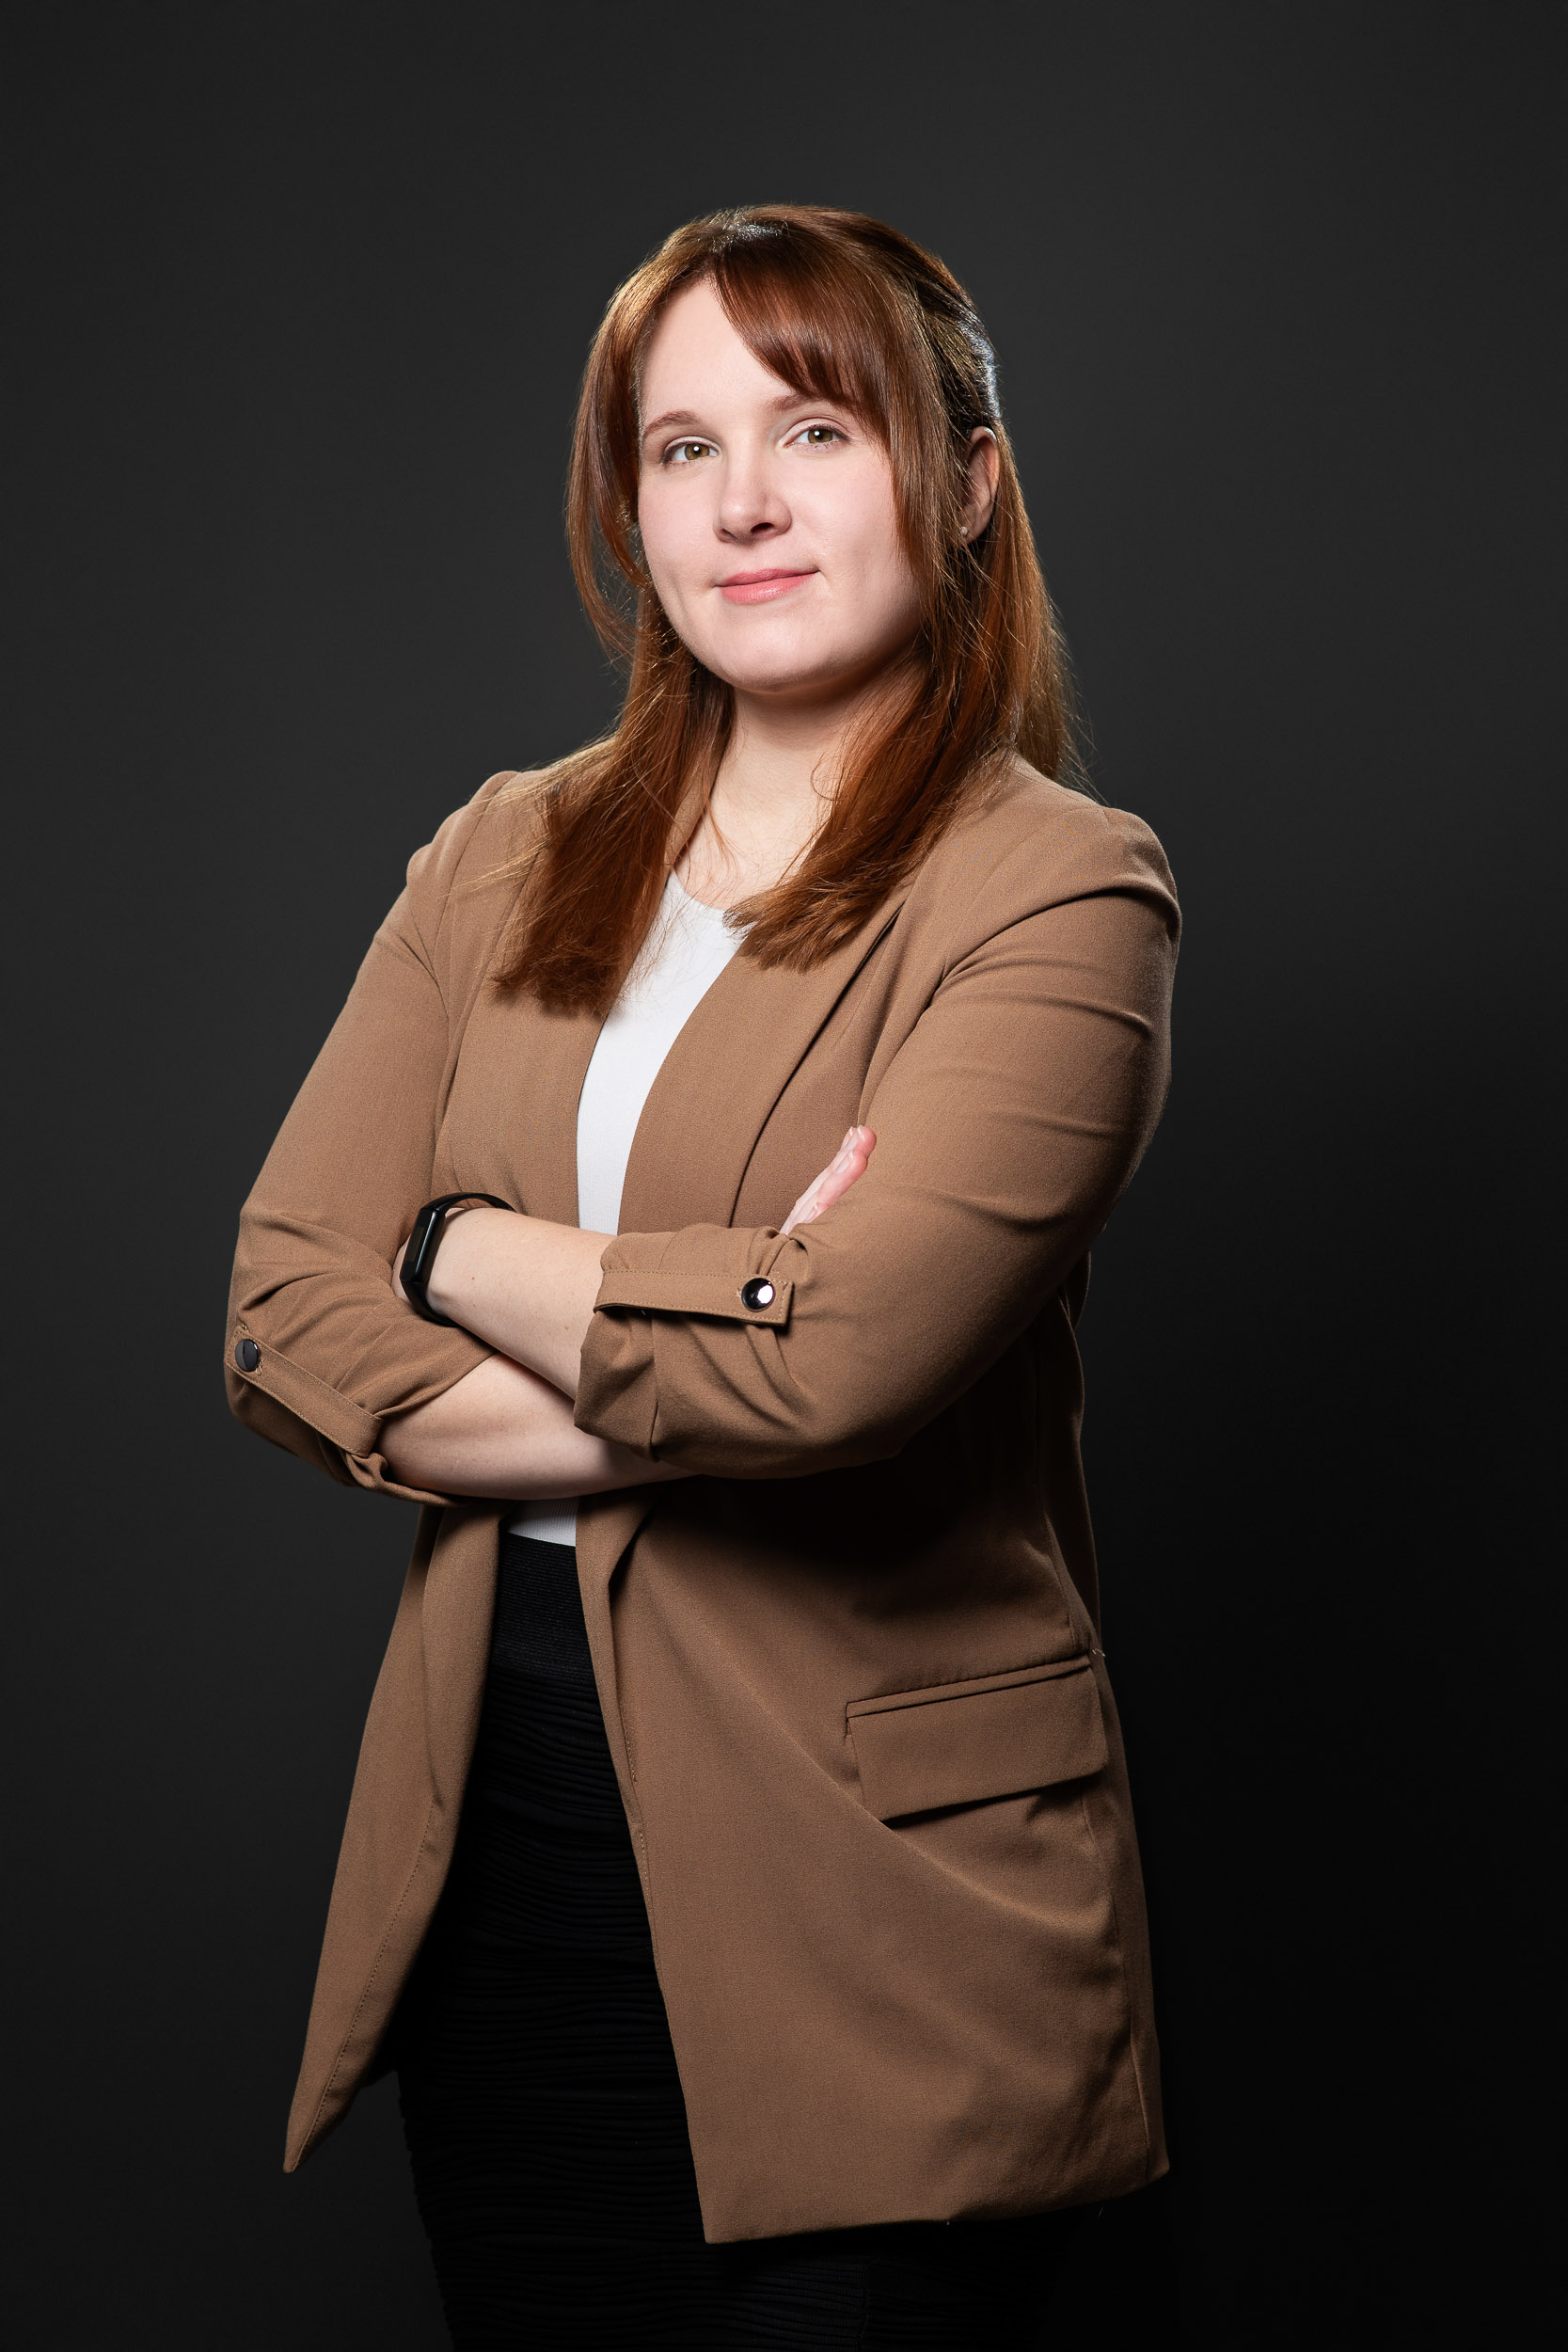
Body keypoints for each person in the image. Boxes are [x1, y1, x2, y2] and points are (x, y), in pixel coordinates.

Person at [226, 203, 1180, 2349]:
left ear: (966, 479)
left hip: (884, 1884)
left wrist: (457, 1247)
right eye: (682, 447)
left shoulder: (1056, 895)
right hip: (506, 1849)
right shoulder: (506, 848)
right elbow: (285, 1301)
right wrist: (726, 1339)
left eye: (815, 427)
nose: (742, 501)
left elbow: (842, 1368)